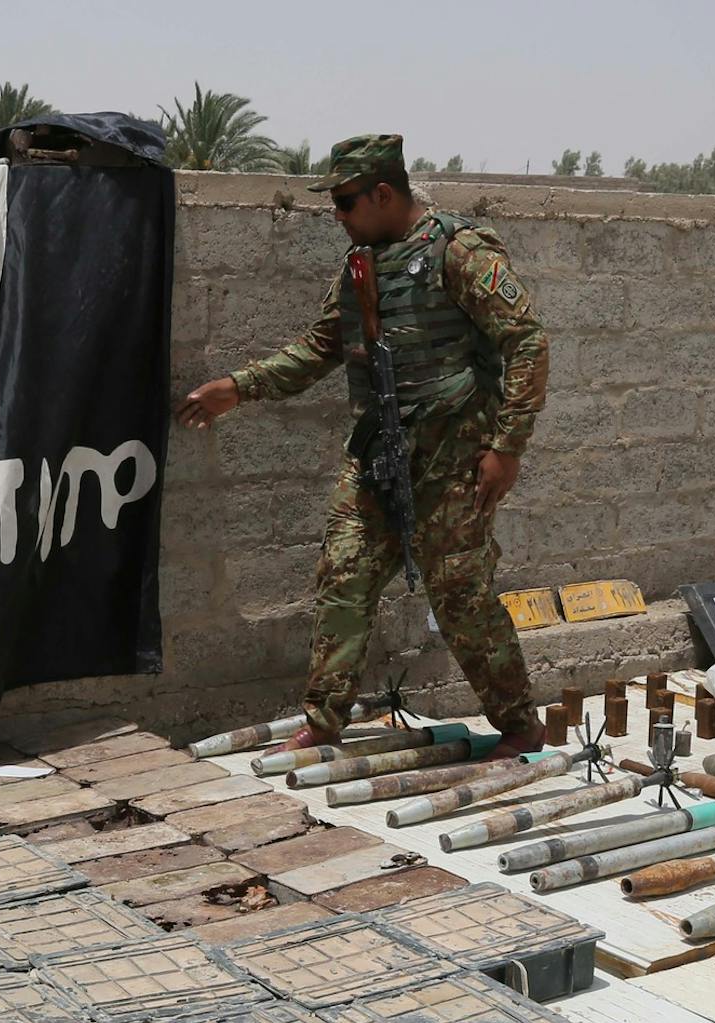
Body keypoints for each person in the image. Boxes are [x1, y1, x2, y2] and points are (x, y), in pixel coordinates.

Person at [178, 134, 549, 757]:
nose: (338, 215)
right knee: (342, 580)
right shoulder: (361, 269)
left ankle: (519, 725)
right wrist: (239, 388)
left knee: (460, 597)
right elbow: (319, 349)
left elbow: (528, 343)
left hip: (454, 460)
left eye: (347, 202)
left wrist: (506, 448)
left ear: (383, 193)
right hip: (378, 456)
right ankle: (323, 722)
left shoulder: (458, 252)